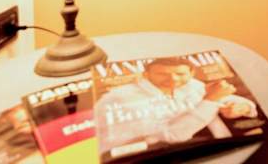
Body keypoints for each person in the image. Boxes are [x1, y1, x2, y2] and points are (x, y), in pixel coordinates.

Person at [94, 57, 257, 158]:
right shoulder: (123, 98)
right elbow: (172, 136)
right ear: (146, 75)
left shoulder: (191, 84)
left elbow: (230, 99)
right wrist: (211, 100)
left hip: (217, 148)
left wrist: (243, 107)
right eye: (162, 74)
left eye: (180, 74)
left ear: (191, 74)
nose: (173, 79)